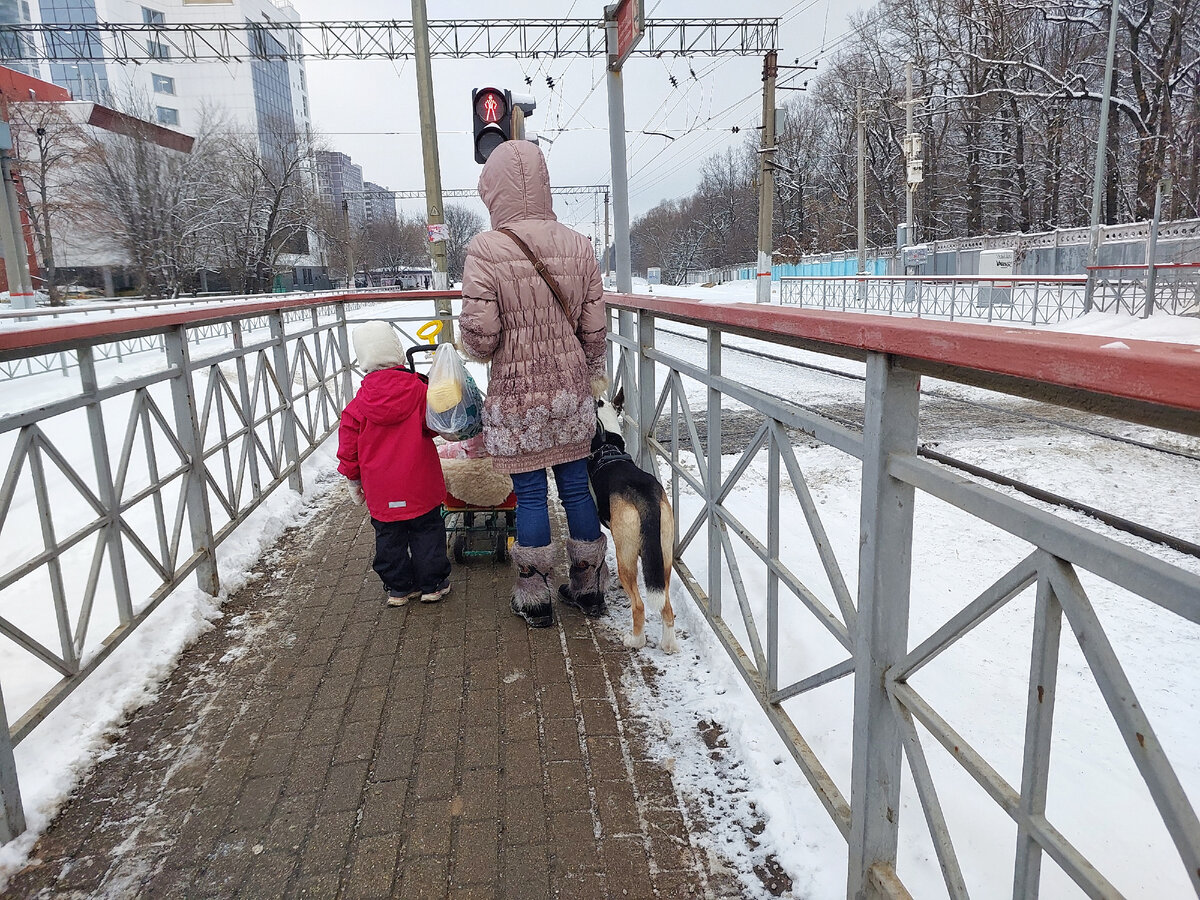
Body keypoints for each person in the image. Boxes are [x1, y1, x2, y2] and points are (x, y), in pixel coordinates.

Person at [459, 141, 610, 629]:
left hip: (518, 399)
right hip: (568, 392)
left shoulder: (485, 250)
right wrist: (581, 371)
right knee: (575, 488)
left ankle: (535, 596)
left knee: (529, 496)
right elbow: (594, 331)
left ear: (493, 190)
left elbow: (481, 341)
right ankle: (588, 586)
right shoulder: (578, 245)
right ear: (543, 183)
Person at [337, 321, 452, 606]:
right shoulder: (418, 390)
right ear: (398, 353)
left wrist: (353, 479)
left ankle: (399, 588)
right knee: (427, 532)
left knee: (389, 538)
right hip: (420, 482)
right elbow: (433, 427)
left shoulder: (357, 405)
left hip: (381, 489)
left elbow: (348, 448)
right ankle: (432, 584)